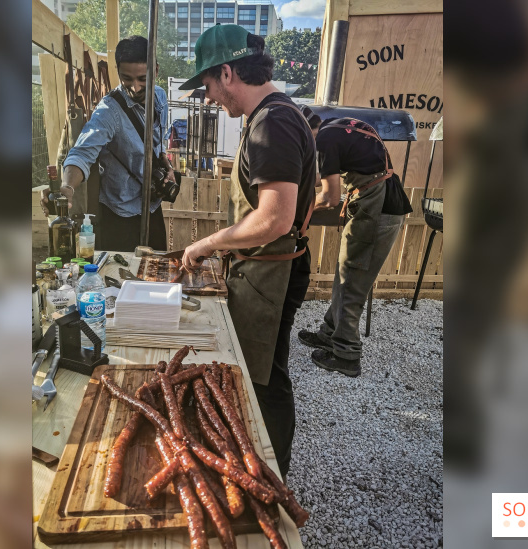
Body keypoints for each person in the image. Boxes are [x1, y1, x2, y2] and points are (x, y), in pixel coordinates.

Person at [179, 25, 315, 479]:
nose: (210, 97)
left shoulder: (272, 122)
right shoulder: (271, 116)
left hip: (272, 271)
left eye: (209, 85)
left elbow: (275, 218)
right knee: (264, 372)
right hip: (266, 265)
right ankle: (263, 468)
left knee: (266, 380)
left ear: (228, 72)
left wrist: (209, 242)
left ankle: (270, 480)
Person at [297, 107, 409, 377]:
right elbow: (323, 176)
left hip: (377, 209)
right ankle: (329, 334)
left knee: (353, 280)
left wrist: (298, 209)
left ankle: (347, 354)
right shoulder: (335, 127)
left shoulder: (323, 142)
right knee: (345, 273)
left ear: (304, 135)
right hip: (379, 201)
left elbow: (330, 199)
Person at [40, 36, 174, 250]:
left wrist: (166, 167)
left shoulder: (160, 97)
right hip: (121, 216)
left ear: (156, 71)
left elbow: (159, 145)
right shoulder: (109, 111)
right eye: (127, 79)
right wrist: (67, 188)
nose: (136, 87)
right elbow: (81, 153)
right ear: (117, 71)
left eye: (142, 78)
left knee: (157, 274)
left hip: (152, 209)